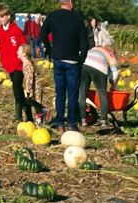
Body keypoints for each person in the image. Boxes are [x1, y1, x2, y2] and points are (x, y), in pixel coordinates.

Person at [40, 0, 87, 131]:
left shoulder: (52, 16)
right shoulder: (77, 18)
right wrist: (81, 58)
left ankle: (60, 122)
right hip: (73, 61)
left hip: (58, 59)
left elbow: (42, 34)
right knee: (72, 94)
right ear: (70, 2)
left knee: (60, 92)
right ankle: (71, 123)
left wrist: (49, 50)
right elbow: (84, 41)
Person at [0, 4, 25, 122]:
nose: (0, 19)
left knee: (16, 86)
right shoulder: (0, 30)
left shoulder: (16, 30)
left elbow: (23, 44)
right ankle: (27, 111)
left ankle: (18, 115)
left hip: (19, 64)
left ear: (8, 16)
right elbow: (2, 45)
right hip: (9, 64)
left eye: (2, 17)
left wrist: (23, 55)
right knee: (18, 89)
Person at [81, 36, 117, 129]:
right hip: (99, 68)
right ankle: (104, 121)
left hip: (84, 64)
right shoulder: (110, 54)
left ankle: (83, 119)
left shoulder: (94, 48)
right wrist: (113, 85)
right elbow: (115, 73)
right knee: (102, 93)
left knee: (82, 92)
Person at [18, 42, 46, 121]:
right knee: (33, 103)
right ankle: (40, 117)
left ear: (24, 54)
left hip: (35, 88)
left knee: (35, 104)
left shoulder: (27, 64)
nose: (17, 52)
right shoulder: (25, 63)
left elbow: (29, 78)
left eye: (19, 51)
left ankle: (40, 120)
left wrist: (28, 91)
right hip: (33, 87)